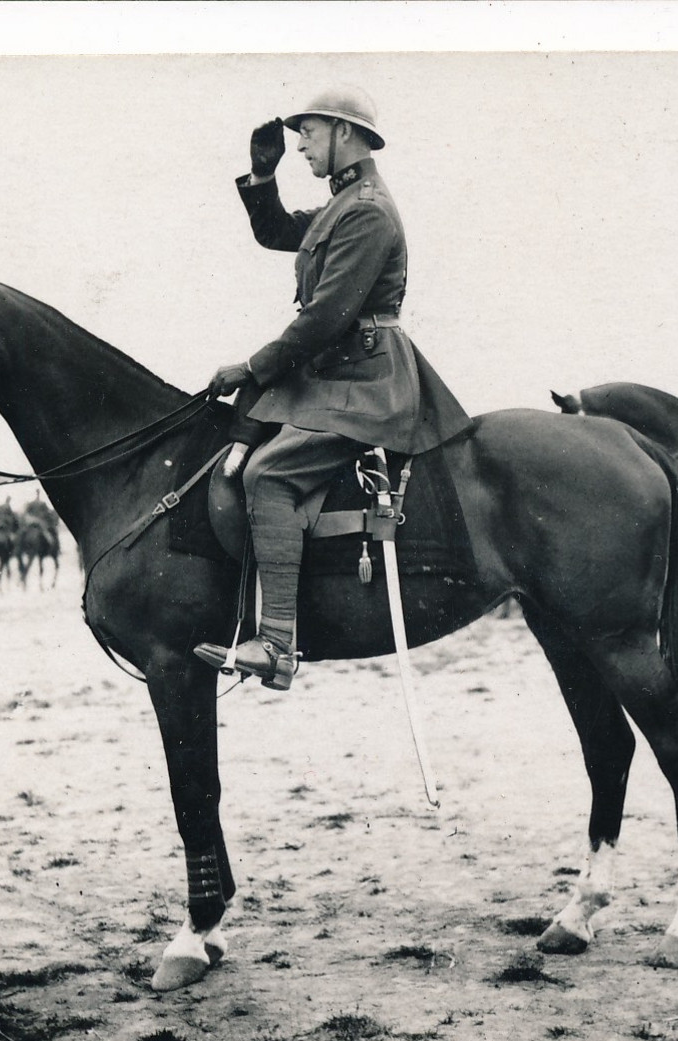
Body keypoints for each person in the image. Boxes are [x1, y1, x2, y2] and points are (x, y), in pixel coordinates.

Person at [191, 86, 472, 690]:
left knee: (270, 475)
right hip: (335, 378)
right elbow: (275, 234)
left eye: (309, 134)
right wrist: (262, 179)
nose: (300, 145)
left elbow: (326, 317)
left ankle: (278, 644)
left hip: (367, 383)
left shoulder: (367, 210)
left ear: (343, 133)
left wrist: (254, 366)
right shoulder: (341, 206)